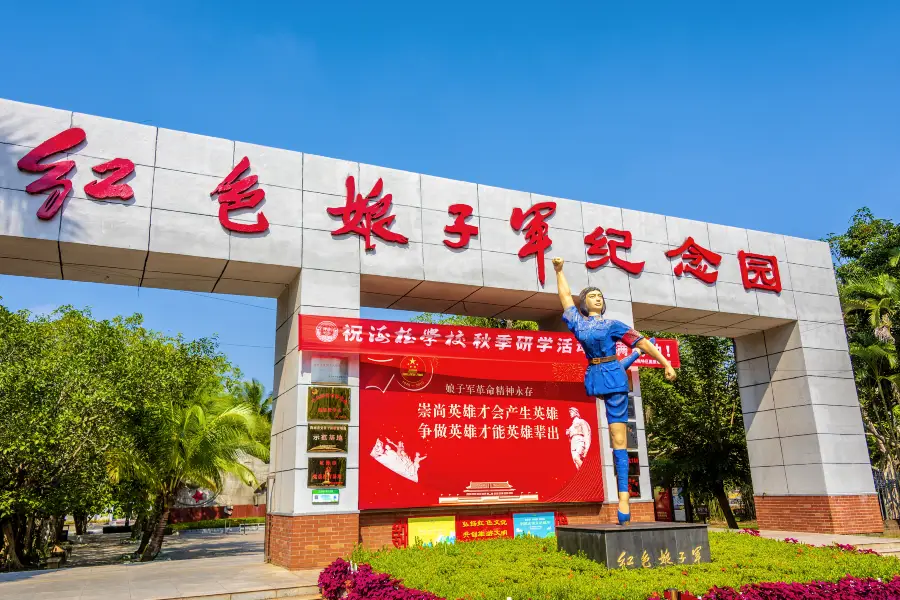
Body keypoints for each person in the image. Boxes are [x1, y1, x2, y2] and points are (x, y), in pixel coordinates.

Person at [551, 257, 676, 525]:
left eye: (600, 296)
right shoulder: (578, 322)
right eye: (592, 296)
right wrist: (559, 271)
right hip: (595, 376)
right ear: (584, 303)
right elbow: (564, 297)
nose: (597, 298)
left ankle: (623, 497)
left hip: (615, 380)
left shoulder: (613, 325)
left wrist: (664, 362)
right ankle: (633, 357)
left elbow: (641, 339)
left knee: (618, 439)